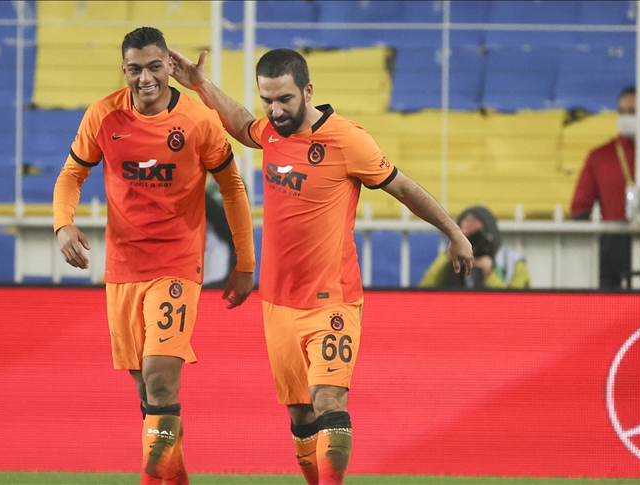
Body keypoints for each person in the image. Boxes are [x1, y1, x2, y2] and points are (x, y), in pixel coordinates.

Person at [169, 47, 474, 485]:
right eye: (267, 100)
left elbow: (404, 188)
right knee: (300, 413)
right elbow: (240, 123)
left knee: (328, 399)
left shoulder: (348, 140)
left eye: (285, 100)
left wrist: (454, 233)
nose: (275, 111)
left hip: (333, 299)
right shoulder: (272, 132)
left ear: (308, 91)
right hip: (278, 301)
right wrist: (200, 84)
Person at [52, 27, 255, 485]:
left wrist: (245, 263)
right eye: (135, 69)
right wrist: (63, 223)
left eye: (154, 67)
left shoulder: (198, 120)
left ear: (170, 66)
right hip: (124, 268)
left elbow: (232, 188)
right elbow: (71, 175)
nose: (146, 78)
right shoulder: (103, 115)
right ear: (124, 70)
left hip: (178, 264)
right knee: (145, 387)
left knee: (161, 379)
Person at [571, 87, 640, 288]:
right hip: (610, 256)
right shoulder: (599, 157)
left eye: (632, 112)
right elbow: (579, 208)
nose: (625, 118)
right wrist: (600, 241)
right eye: (621, 112)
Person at [419, 205, 530, 289]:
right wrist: (449, 257)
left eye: (477, 236)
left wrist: (489, 274)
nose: (472, 242)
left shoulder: (513, 263)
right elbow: (424, 290)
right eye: (466, 236)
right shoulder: (453, 260)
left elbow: (513, 305)